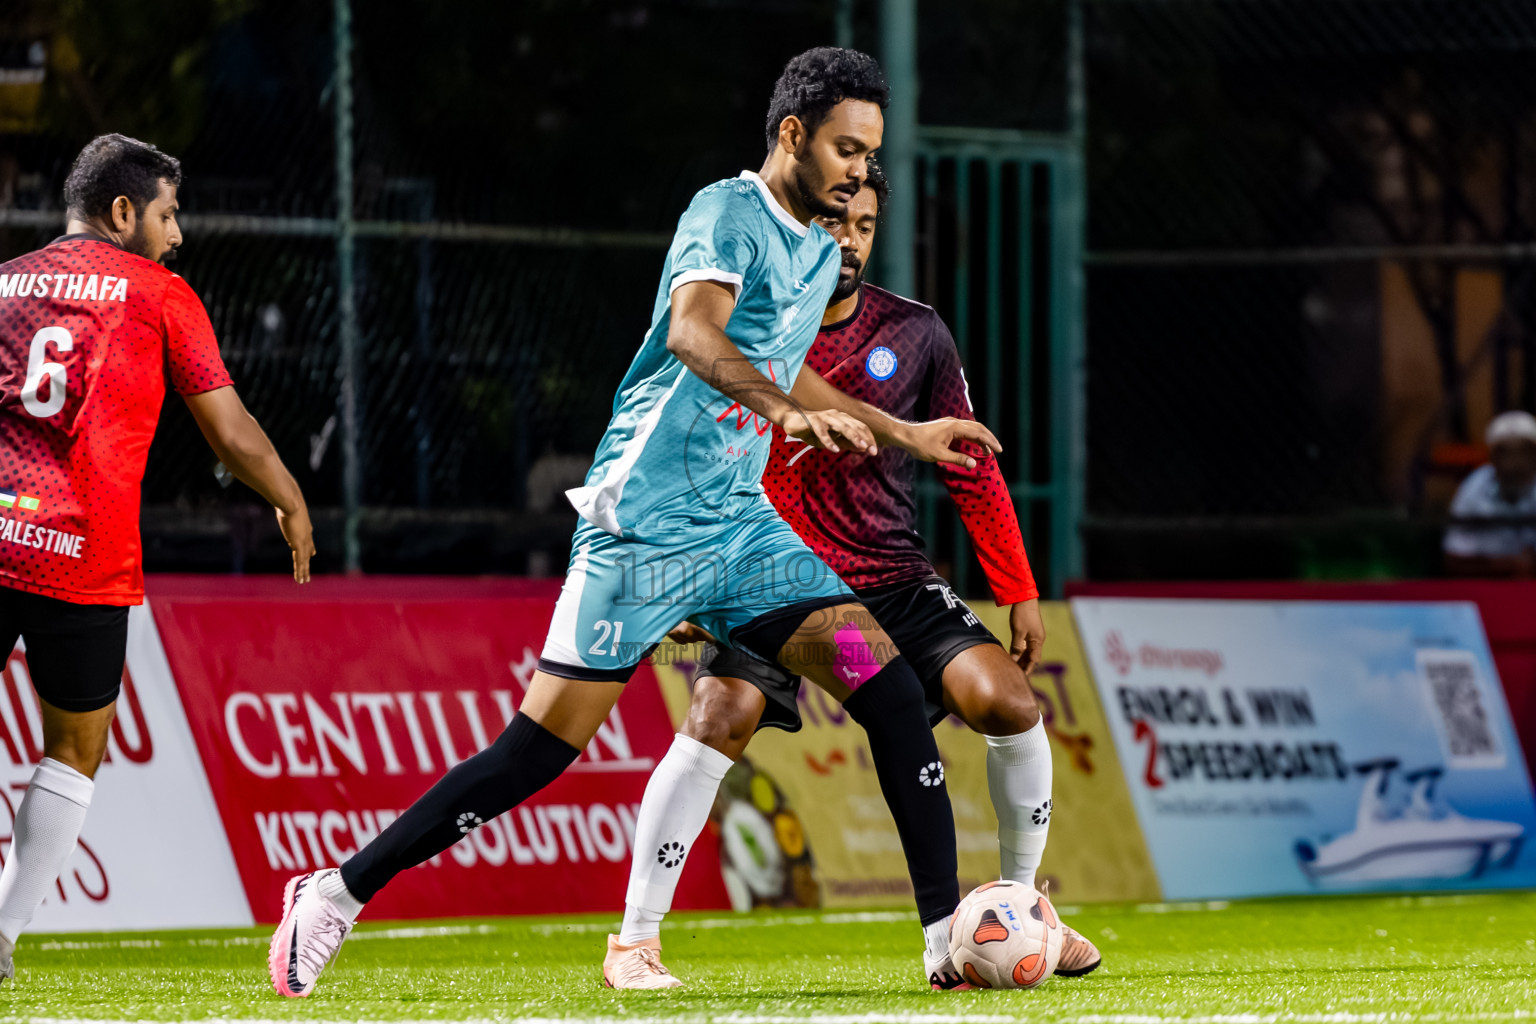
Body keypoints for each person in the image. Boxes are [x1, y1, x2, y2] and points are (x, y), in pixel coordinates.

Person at [270, 47, 1001, 998]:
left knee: (889, 689)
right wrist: (782, 417)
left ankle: (946, 938)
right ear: (793, 136)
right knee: (535, 754)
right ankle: (335, 893)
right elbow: (696, 332)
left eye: (870, 154)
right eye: (847, 150)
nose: (862, 172)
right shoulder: (726, 212)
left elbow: (787, 364)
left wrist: (904, 431)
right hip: (644, 530)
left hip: (743, 534)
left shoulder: (822, 245)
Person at [606, 164, 1100, 992]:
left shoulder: (917, 333)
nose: (848, 238)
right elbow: (682, 447)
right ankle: (635, 940)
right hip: (771, 581)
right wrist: (689, 579)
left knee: (1012, 703)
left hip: (894, 577)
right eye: (836, 221)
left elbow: (970, 463)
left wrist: (1016, 586)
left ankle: (1023, 908)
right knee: (715, 712)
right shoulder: (752, 329)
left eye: (865, 225)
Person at [0, 134, 314, 980]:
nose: (178, 235)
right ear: (124, 212)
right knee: (71, 747)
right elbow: (230, 430)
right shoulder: (159, 294)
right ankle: (2, 933)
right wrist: (289, 497)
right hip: (82, 552)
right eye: (169, 215)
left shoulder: (4, 282)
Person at [1444, 411, 1536, 577]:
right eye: (1506, 452)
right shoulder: (1474, 487)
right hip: (1487, 585)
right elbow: (1454, 559)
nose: (1516, 462)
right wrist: (1508, 565)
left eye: (1525, 451)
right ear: (1492, 457)